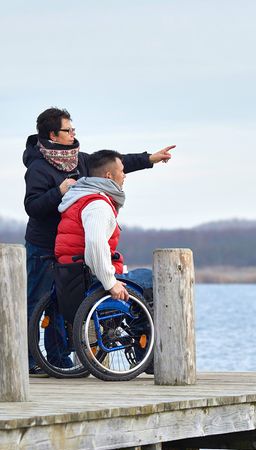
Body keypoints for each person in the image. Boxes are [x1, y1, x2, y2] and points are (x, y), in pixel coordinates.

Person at [24, 107, 174, 374]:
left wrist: (149, 158)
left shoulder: (79, 160)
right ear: (52, 134)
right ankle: (28, 360)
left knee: (63, 304)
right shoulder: (38, 167)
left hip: (73, 243)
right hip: (45, 245)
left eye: (73, 129)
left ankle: (59, 360)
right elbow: (33, 207)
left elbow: (114, 164)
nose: (73, 134)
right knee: (39, 302)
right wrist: (59, 191)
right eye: (68, 130)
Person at [55, 149, 145, 299]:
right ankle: (142, 324)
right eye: (122, 171)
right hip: (91, 277)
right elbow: (95, 242)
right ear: (109, 176)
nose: (125, 176)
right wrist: (111, 283)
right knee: (152, 279)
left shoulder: (78, 198)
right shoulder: (97, 204)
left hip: (73, 274)